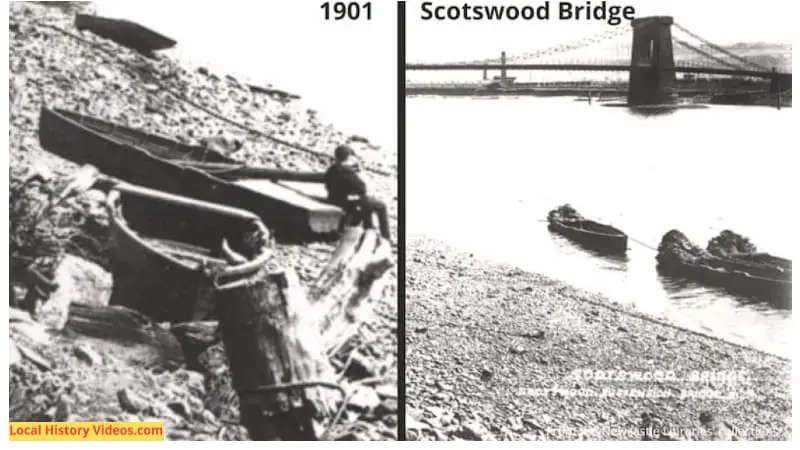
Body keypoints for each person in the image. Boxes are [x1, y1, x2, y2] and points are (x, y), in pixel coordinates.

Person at [324, 144, 391, 241]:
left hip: (335, 199)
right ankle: (386, 237)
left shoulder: (331, 170)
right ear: (347, 157)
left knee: (365, 202)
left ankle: (369, 227)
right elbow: (362, 187)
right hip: (347, 201)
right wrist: (356, 173)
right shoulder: (346, 171)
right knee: (381, 206)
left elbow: (329, 184)